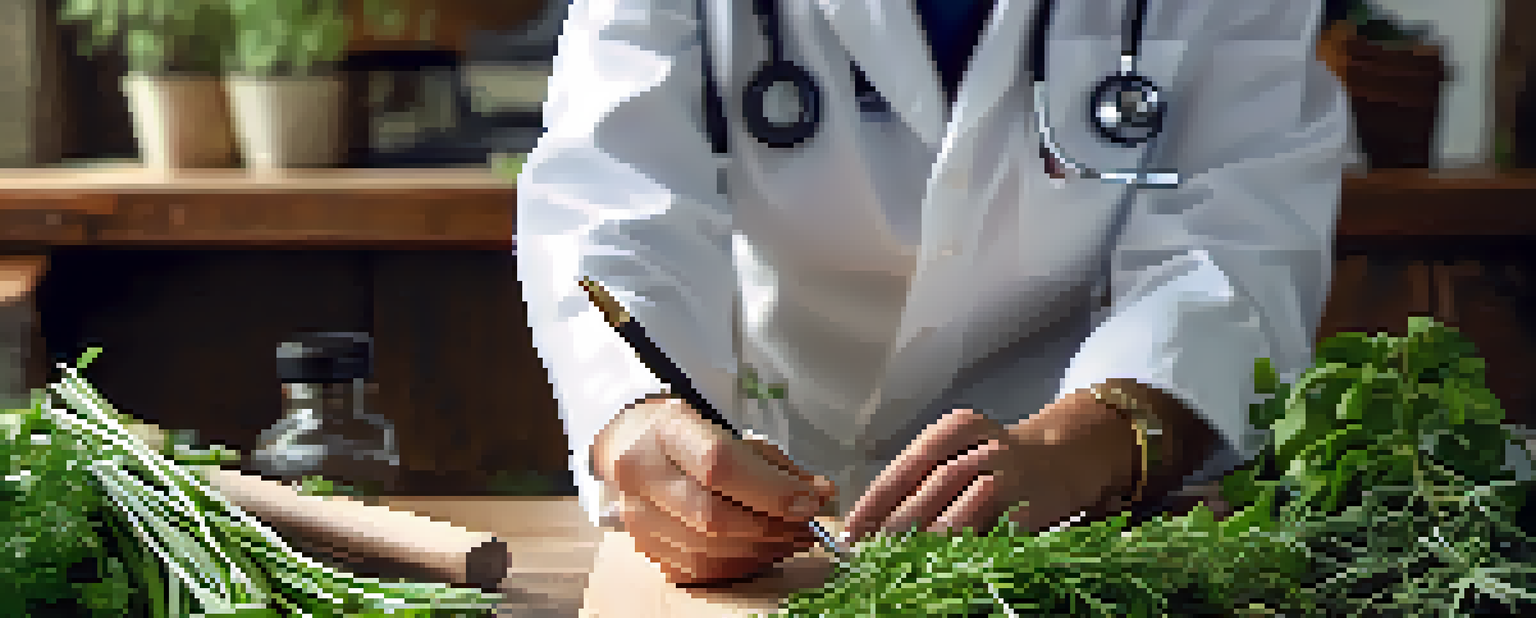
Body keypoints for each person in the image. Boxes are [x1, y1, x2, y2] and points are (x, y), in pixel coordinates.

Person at [516, 0, 1351, 585]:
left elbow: (1235, 242)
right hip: (770, 477)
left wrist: (1085, 446)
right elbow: (611, 195)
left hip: (1084, 509)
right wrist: (642, 414)